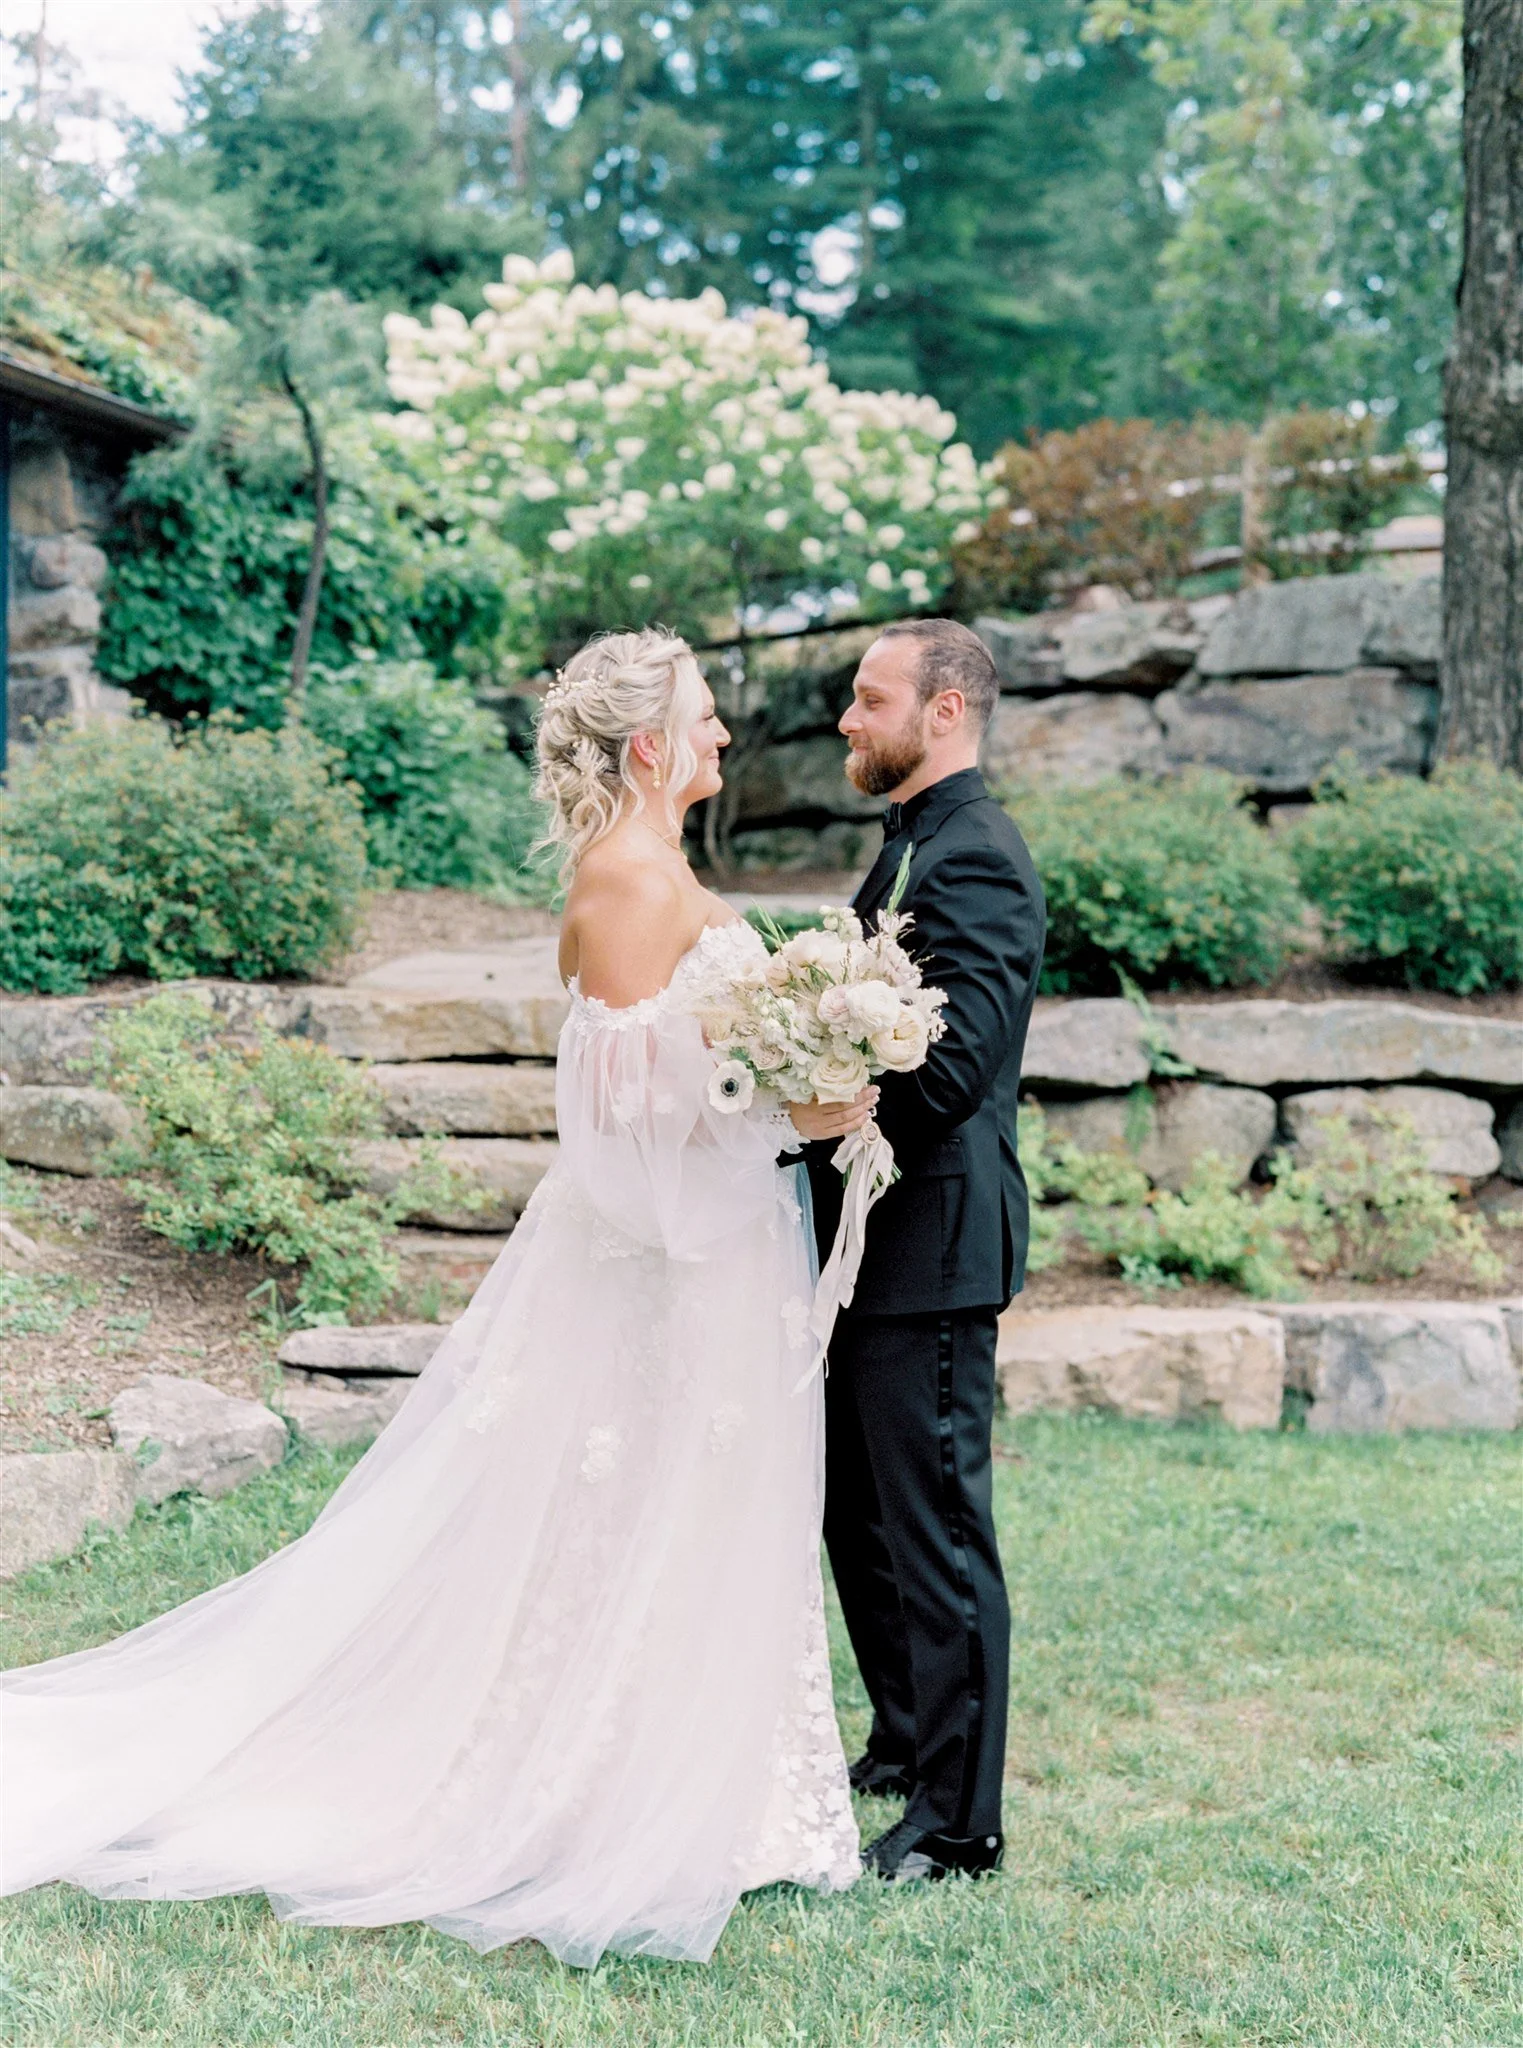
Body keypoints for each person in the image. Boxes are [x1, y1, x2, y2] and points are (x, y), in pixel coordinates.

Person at [0, 629, 870, 1968]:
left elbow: (686, 1081)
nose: (720, 737)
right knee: (636, 1520)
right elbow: (628, 1133)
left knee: (682, 1516)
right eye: (702, 717)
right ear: (647, 745)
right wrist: (802, 1107)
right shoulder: (631, 881)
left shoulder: (662, 866)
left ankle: (739, 1792)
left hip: (708, 1263)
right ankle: (612, 1796)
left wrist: (794, 1085)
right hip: (662, 1275)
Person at [805, 618, 1046, 1884]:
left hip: (935, 1244)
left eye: (868, 696)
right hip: (865, 1243)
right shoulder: (907, 848)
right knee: (862, 1517)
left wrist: (815, 1087)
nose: (847, 718)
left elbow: (948, 1068)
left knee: (938, 1532)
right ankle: (905, 1738)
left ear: (942, 710)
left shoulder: (978, 859)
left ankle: (959, 1823)